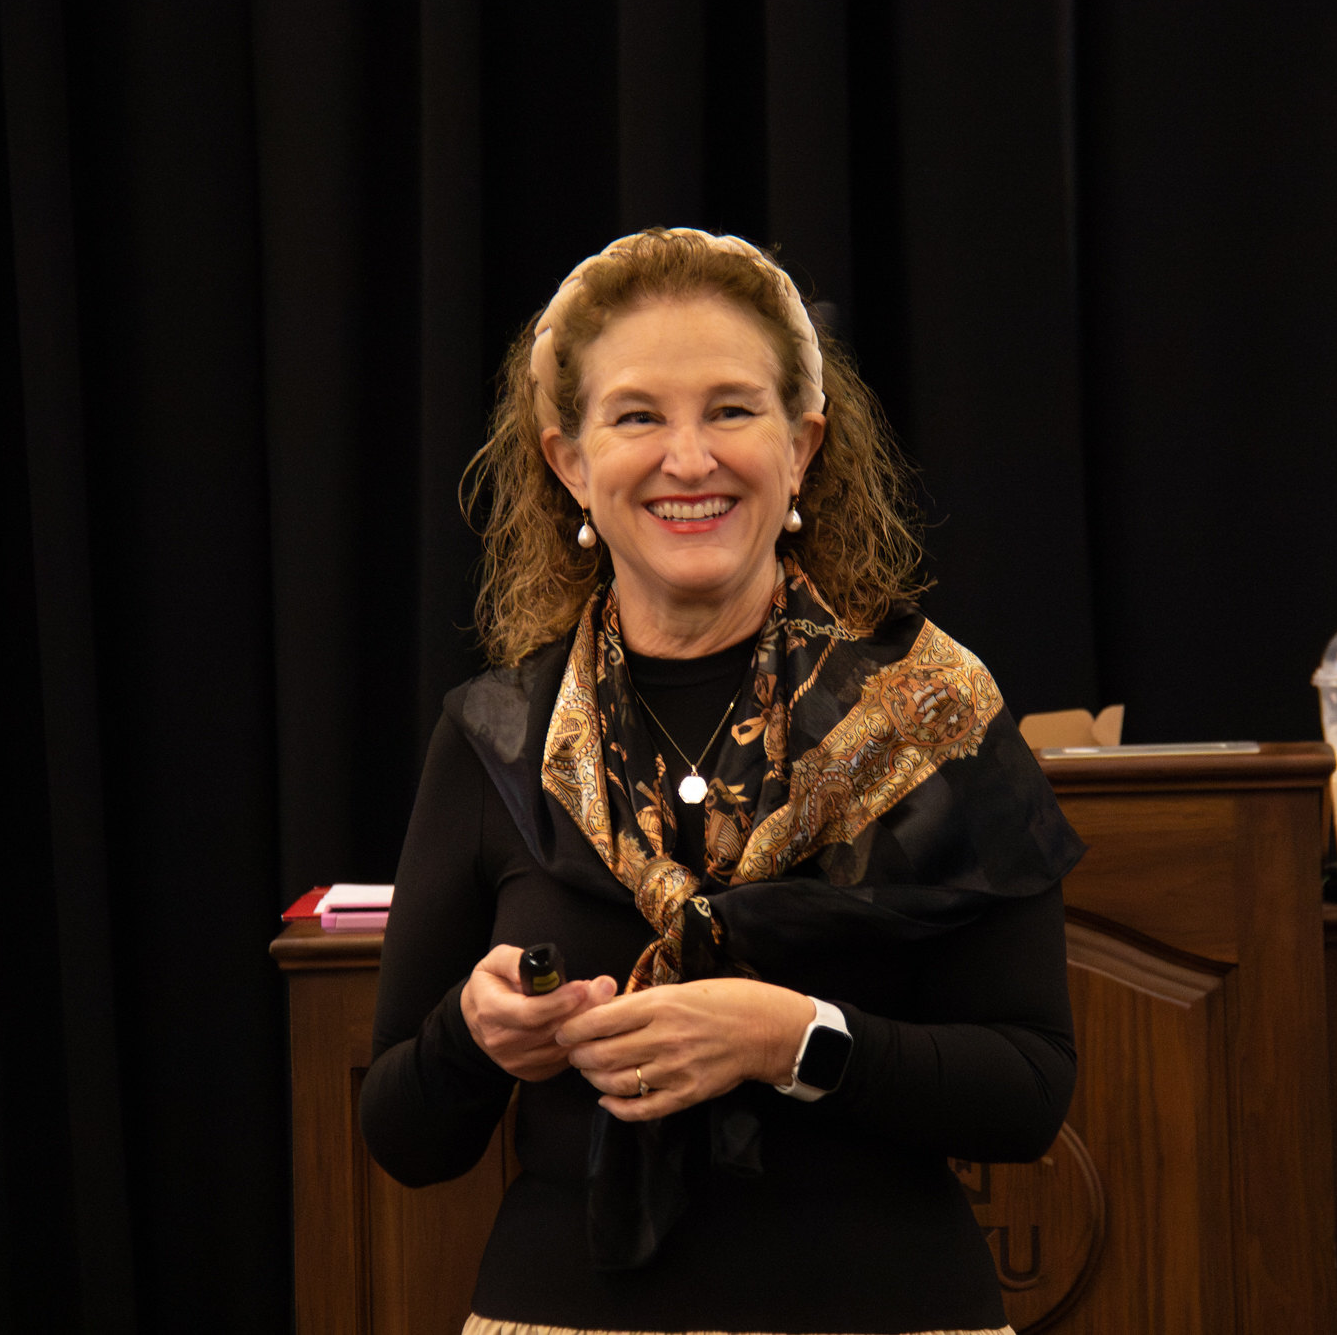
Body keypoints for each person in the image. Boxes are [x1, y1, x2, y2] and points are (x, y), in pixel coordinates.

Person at [361, 228, 1083, 1335]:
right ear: (571, 463)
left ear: (801, 447)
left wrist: (790, 1039)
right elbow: (404, 1138)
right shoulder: (495, 738)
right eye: (636, 417)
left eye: (731, 410)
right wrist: (474, 1032)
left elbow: (1029, 1093)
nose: (688, 459)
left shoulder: (931, 716)